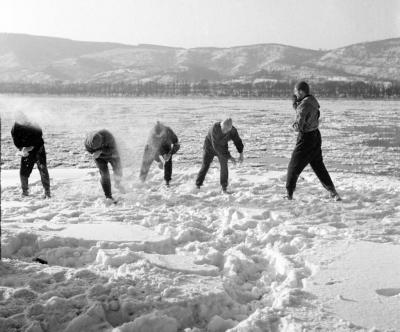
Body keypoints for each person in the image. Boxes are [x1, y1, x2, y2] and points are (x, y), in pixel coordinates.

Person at [286, 81, 341, 201]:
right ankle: (333, 192)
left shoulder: (304, 105)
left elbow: (299, 125)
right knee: (318, 166)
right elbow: (307, 113)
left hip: (306, 139)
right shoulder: (312, 101)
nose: (295, 93)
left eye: (296, 91)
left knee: (293, 167)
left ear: (301, 91)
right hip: (316, 136)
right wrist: (297, 105)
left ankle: (289, 194)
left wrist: (292, 126)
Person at [196, 118, 244, 193]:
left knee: (224, 166)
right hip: (209, 147)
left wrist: (241, 154)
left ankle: (224, 188)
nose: (225, 131)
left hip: (223, 147)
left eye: (227, 130)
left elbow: (238, 141)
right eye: (223, 129)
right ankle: (198, 185)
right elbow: (217, 147)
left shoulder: (233, 131)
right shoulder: (214, 128)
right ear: (221, 125)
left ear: (230, 128)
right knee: (205, 165)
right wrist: (230, 157)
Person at [11, 113, 51, 198]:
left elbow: (39, 134)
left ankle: (47, 192)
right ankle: (25, 192)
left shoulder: (33, 122)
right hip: (26, 151)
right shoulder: (16, 127)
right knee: (24, 171)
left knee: (43, 168)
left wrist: (32, 146)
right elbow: (15, 139)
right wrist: (22, 148)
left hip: (38, 148)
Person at [85, 129, 124, 203]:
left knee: (118, 170)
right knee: (105, 175)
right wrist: (94, 153)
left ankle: (118, 184)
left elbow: (113, 149)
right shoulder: (87, 143)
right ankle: (108, 196)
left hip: (112, 154)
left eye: (99, 146)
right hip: (99, 158)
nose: (97, 148)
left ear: (102, 140)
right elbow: (90, 151)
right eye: (95, 148)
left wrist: (101, 151)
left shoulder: (108, 135)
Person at [139, 121, 180, 186]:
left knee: (168, 161)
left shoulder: (169, 132)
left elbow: (177, 144)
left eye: (161, 136)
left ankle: (167, 182)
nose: (159, 138)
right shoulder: (152, 134)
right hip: (151, 148)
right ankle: (141, 181)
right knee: (146, 161)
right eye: (157, 136)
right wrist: (159, 161)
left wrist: (170, 153)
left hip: (165, 147)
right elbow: (152, 151)